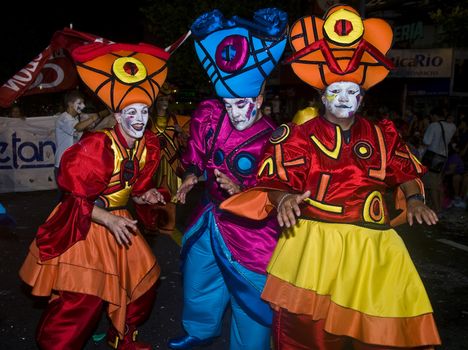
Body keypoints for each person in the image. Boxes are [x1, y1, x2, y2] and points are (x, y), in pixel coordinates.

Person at [221, 5, 441, 349]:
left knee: (385, 334)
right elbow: (275, 182)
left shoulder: (383, 133)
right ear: (322, 96)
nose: (344, 99)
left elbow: (405, 171)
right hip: (316, 246)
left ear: (362, 97)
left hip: (374, 247)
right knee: (310, 336)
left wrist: (413, 198)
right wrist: (286, 199)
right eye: (335, 91)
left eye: (352, 91)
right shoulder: (297, 136)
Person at [19, 38, 172, 350]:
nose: (140, 118)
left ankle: (122, 337)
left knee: (142, 285)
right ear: (117, 116)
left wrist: (148, 196)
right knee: (81, 299)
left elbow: (136, 190)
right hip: (86, 222)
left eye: (144, 110)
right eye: (131, 111)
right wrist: (109, 221)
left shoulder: (147, 146)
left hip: (119, 223)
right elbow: (74, 197)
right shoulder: (97, 146)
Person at [168, 8, 288, 350]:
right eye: (228, 103)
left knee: (251, 295)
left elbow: (279, 190)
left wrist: (243, 192)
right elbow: (196, 155)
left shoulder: (276, 139)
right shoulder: (210, 117)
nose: (235, 112)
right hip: (210, 218)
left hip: (253, 232)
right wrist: (192, 176)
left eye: (243, 103)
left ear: (260, 99)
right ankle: (200, 330)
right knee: (198, 275)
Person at [145, 82, 190, 235]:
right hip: (154, 163)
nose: (164, 103)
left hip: (172, 163)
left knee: (171, 195)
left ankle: (168, 225)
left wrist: (180, 133)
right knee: (152, 193)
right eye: (161, 100)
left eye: (166, 100)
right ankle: (151, 223)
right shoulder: (148, 120)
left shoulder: (175, 120)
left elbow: (187, 140)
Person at [54, 90, 110, 183]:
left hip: (74, 162)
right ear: (70, 104)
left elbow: (90, 126)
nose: (83, 106)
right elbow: (78, 128)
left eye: (83, 103)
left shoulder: (77, 118)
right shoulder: (64, 118)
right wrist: (92, 118)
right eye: (79, 103)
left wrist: (105, 112)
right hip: (63, 163)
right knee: (65, 195)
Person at [422, 108, 456, 213]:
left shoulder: (434, 126)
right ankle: (438, 206)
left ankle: (437, 209)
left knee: (431, 183)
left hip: (432, 157)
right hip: (443, 157)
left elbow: (426, 141)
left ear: (434, 115)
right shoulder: (452, 126)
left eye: (432, 116)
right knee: (437, 182)